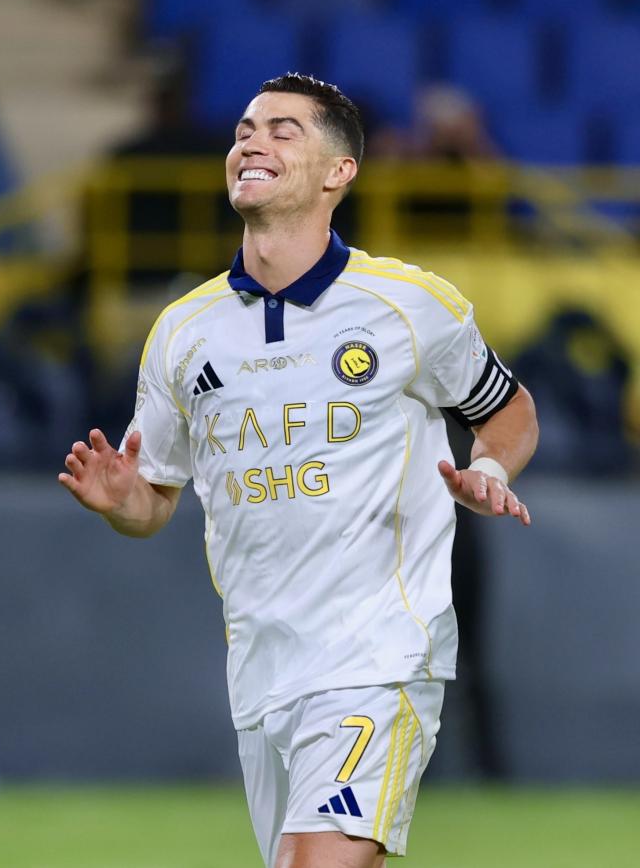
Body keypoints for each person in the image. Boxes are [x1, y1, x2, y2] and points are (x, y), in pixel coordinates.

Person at [59, 73, 538, 868]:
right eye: (245, 129)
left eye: (284, 130)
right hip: (261, 670)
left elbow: (509, 408)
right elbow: (154, 502)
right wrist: (121, 499)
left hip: (378, 657)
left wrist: (489, 464)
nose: (252, 141)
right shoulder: (183, 331)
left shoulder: (409, 305)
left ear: (338, 171)